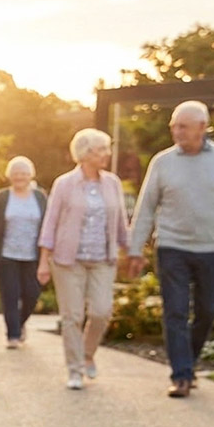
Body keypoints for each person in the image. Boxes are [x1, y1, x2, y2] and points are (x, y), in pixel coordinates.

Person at [125, 100, 214, 398]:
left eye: (182, 126)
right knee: (176, 311)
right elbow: (145, 209)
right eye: (173, 125)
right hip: (172, 247)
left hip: (212, 248)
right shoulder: (162, 161)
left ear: (202, 128)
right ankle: (181, 375)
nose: (176, 131)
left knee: (207, 312)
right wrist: (135, 250)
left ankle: (189, 362)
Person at [38, 128, 132, 391]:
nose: (106, 154)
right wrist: (44, 261)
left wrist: (130, 250)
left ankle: (88, 353)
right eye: (101, 149)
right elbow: (51, 223)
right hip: (69, 261)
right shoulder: (64, 184)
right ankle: (75, 369)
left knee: (102, 312)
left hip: (103, 258)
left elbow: (121, 221)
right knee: (72, 316)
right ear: (85, 154)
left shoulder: (112, 182)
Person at [0, 157, 47, 349]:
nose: (19, 177)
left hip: (32, 255)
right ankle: (13, 335)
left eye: (23, 173)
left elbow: (48, 224)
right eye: (15, 174)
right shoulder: (1, 197)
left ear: (31, 175)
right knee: (10, 295)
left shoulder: (40, 197)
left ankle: (19, 324)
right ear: (9, 176)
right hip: (6, 255)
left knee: (32, 293)